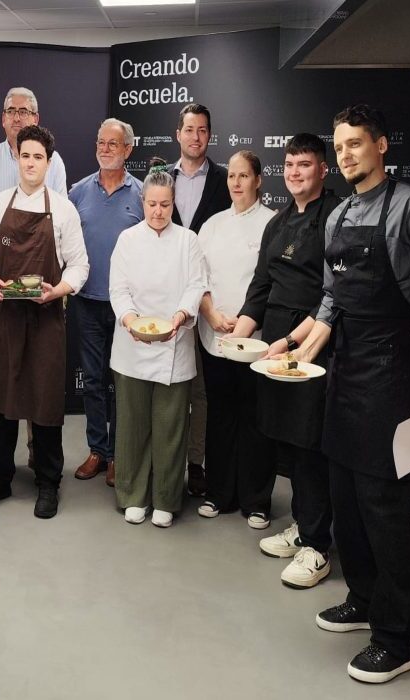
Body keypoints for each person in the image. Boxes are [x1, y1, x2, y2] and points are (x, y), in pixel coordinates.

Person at [286, 105, 410, 684]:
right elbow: (333, 298)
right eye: (339, 145)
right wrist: (299, 353)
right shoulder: (341, 213)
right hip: (344, 369)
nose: (345, 154)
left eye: (356, 144)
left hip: (392, 370)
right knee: (345, 495)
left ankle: (396, 637)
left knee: (383, 504)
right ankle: (364, 599)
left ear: (382, 145)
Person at [230, 133, 339, 588]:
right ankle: (303, 526)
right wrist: (240, 335)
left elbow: (334, 293)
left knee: (310, 444)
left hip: (312, 345)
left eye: (305, 165)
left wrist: (293, 341)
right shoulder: (277, 222)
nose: (295, 172)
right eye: (290, 165)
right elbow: (261, 285)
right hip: (275, 344)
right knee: (290, 442)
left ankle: (317, 547)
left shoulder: (335, 217)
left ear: (323, 170)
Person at [0, 125, 88, 519]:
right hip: (5, 318)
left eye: (38, 157)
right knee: (1, 400)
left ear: (49, 163)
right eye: (25, 156)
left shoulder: (63, 210)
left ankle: (48, 482)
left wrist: (57, 291)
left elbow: (80, 265)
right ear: (17, 159)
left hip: (46, 318)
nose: (31, 163)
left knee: (45, 401)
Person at [0, 87, 68, 480]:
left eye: (25, 111)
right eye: (11, 110)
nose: (17, 116)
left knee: (42, 380)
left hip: (45, 298)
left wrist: (57, 289)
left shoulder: (60, 198)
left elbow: (74, 256)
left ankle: (43, 467)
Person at [109, 160, 206, 528]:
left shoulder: (188, 241)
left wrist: (179, 317)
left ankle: (166, 497)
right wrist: (131, 320)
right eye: (152, 204)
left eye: (165, 204)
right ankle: (133, 495)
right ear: (143, 202)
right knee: (132, 426)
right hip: (132, 346)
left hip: (175, 344)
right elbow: (119, 288)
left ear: (173, 202)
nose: (158, 211)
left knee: (170, 427)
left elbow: (196, 286)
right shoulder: (128, 240)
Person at [195, 150, 276, 528]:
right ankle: (218, 493)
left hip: (256, 342)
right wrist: (212, 315)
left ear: (258, 180)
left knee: (255, 418)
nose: (237, 183)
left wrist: (244, 322)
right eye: (232, 176)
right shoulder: (212, 226)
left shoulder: (272, 223)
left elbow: (271, 283)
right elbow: (198, 279)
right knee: (220, 415)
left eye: (244, 176)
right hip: (215, 337)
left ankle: (256, 500)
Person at [68, 118, 143, 487]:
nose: (105, 149)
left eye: (113, 143)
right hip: (87, 302)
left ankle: (117, 454)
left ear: (128, 149)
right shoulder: (77, 192)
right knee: (94, 380)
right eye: (101, 142)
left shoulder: (142, 194)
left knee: (122, 382)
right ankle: (97, 450)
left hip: (127, 309)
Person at [171, 103, 231, 498]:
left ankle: (196, 463)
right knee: (169, 387)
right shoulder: (161, 178)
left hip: (208, 302)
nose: (196, 137)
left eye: (203, 130)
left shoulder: (226, 180)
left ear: (210, 135)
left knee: (201, 391)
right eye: (190, 129)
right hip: (166, 302)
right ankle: (166, 462)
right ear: (178, 134)